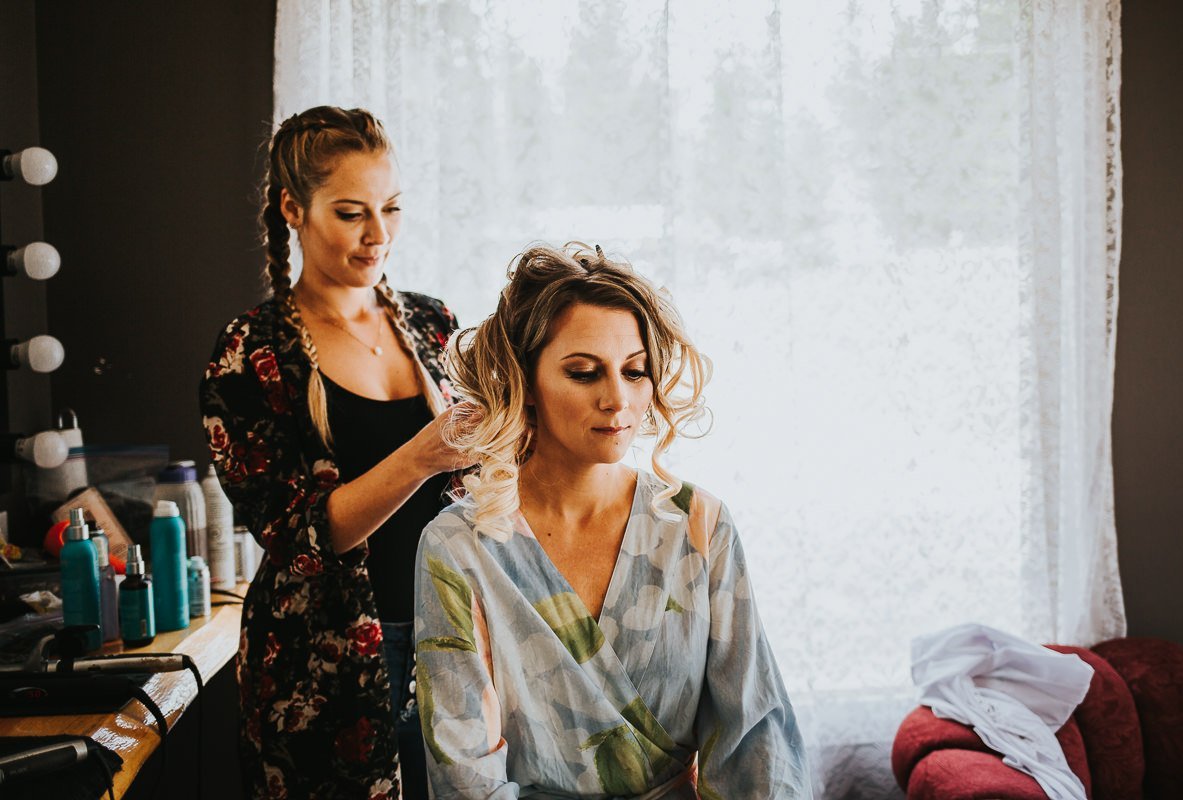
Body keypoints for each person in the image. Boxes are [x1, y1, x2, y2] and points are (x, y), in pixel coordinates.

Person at [414, 243, 811, 798]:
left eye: (635, 371)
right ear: (523, 382)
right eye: (583, 373)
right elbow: (464, 773)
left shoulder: (696, 525)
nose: (617, 400)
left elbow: (752, 741)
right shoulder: (460, 547)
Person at [199, 106, 469, 799]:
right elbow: (298, 537)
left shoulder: (434, 323)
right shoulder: (250, 354)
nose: (378, 235)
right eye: (352, 212)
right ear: (294, 208)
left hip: (453, 635)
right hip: (321, 669)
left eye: (391, 208)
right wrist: (422, 455)